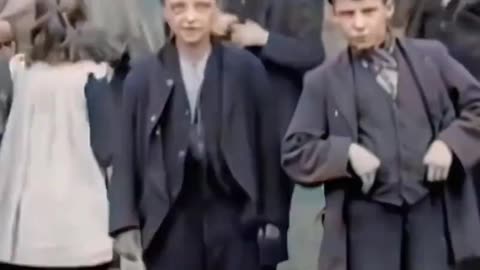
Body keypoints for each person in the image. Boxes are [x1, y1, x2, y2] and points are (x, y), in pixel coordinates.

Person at [282, 0, 480, 270]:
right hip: (366, 226)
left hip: (431, 217)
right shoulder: (323, 80)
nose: (359, 24)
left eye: (368, 11)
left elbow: (476, 106)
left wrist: (450, 144)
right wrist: (346, 154)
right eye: (348, 14)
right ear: (335, 17)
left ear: (388, 9)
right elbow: (295, 151)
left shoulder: (431, 58)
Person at [108, 0, 279, 270]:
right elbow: (126, 154)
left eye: (201, 6)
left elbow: (267, 146)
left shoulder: (246, 70)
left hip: (234, 212)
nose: (190, 18)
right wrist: (124, 223)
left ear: (216, 9)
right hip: (170, 216)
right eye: (179, 8)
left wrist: (273, 217)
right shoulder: (142, 77)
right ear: (165, 12)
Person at [211, 1, 326, 267]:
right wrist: (215, 23)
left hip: (272, 128)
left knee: (266, 239)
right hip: (224, 117)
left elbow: (312, 53)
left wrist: (262, 38)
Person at [0, 0, 113, 269]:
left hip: (21, 233)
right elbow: (107, 148)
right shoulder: (93, 78)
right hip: (82, 231)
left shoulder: (20, 73)